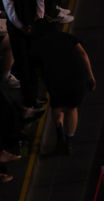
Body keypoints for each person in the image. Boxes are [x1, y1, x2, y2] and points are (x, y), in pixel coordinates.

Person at [31, 18, 96, 154]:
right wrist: (90, 75)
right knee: (72, 108)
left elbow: (37, 69)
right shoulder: (66, 36)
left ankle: (59, 130)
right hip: (76, 76)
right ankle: (69, 139)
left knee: (57, 105)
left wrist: (45, 85)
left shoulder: (37, 45)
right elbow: (83, 54)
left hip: (55, 78)